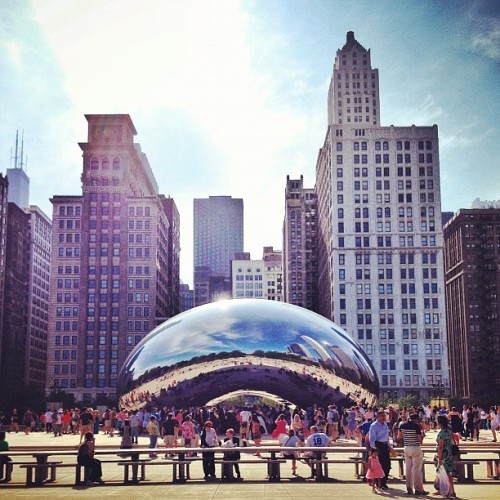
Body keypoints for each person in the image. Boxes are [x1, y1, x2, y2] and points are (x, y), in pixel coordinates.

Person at [398, 413, 428, 496]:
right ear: (416, 419)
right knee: (417, 469)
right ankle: (418, 489)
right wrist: (422, 434)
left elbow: (399, 437)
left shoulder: (402, 425)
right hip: (415, 447)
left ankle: (409, 488)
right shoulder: (416, 426)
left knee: (408, 468)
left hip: (406, 447)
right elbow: (420, 440)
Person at [369, 409, 392, 490]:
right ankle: (378, 483)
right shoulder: (374, 425)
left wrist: (390, 447)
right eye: (382, 416)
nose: (384, 417)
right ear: (378, 416)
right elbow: (372, 438)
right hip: (377, 445)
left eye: (385, 416)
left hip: (385, 445)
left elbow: (387, 437)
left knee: (387, 465)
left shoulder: (385, 425)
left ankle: (384, 482)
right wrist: (373, 450)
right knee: (378, 465)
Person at [436, 415, 456, 498]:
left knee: (444, 472)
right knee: (447, 473)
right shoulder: (449, 431)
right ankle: (449, 490)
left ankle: (448, 490)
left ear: (440, 423)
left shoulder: (442, 433)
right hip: (449, 453)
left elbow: (441, 446)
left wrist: (440, 458)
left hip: (444, 454)